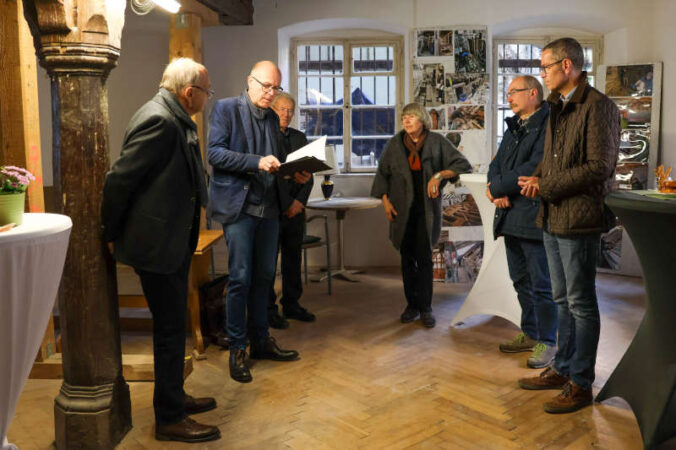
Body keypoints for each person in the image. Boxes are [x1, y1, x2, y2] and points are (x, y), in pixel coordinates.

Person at [101, 58, 220, 443]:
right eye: (206, 91)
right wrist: (109, 231)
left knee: (173, 327)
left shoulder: (173, 116)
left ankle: (175, 398)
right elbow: (120, 180)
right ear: (189, 93)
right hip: (157, 246)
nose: (207, 97)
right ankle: (169, 418)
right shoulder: (160, 120)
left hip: (169, 242)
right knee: (169, 330)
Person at [517, 38, 620, 414]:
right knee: (562, 300)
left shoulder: (599, 107)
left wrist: (548, 184)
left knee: (581, 304)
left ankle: (581, 383)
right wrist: (536, 178)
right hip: (552, 216)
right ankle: (562, 368)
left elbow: (600, 168)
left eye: (544, 67)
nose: (541, 73)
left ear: (566, 66)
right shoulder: (556, 107)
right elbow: (552, 158)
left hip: (579, 219)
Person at [207, 61, 311, 384]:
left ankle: (261, 340)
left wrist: (296, 173)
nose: (270, 94)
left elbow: (277, 163)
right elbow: (214, 154)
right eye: (266, 87)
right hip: (240, 209)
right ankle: (239, 347)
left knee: (265, 278)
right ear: (249, 81)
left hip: (270, 211)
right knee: (240, 278)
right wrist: (255, 162)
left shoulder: (271, 119)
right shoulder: (225, 109)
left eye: (275, 88)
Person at [371, 103, 471, 328]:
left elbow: (462, 164)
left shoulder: (436, 142)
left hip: (425, 212)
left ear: (422, 120)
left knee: (424, 259)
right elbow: (382, 174)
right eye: (404, 117)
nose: (406, 121)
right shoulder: (395, 144)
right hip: (401, 211)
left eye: (412, 117)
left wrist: (439, 175)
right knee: (407, 260)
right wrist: (385, 203)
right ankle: (411, 306)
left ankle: (426, 308)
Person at [486, 75, 557, 369]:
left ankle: (549, 341)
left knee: (542, 284)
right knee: (521, 281)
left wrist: (499, 187)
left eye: (513, 92)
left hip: (532, 215)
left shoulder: (548, 124)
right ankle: (530, 332)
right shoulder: (516, 126)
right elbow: (496, 165)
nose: (509, 97)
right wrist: (494, 188)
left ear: (532, 93)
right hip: (510, 215)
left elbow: (535, 166)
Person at [267, 92, 316, 329]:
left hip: (296, 209)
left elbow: (308, 174)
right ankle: (269, 309)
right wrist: (287, 204)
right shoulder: (265, 136)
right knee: (268, 262)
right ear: (272, 110)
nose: (286, 114)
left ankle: (292, 304)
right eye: (281, 109)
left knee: (293, 258)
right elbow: (272, 178)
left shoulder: (300, 137)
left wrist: (299, 203)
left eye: (290, 110)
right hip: (273, 209)